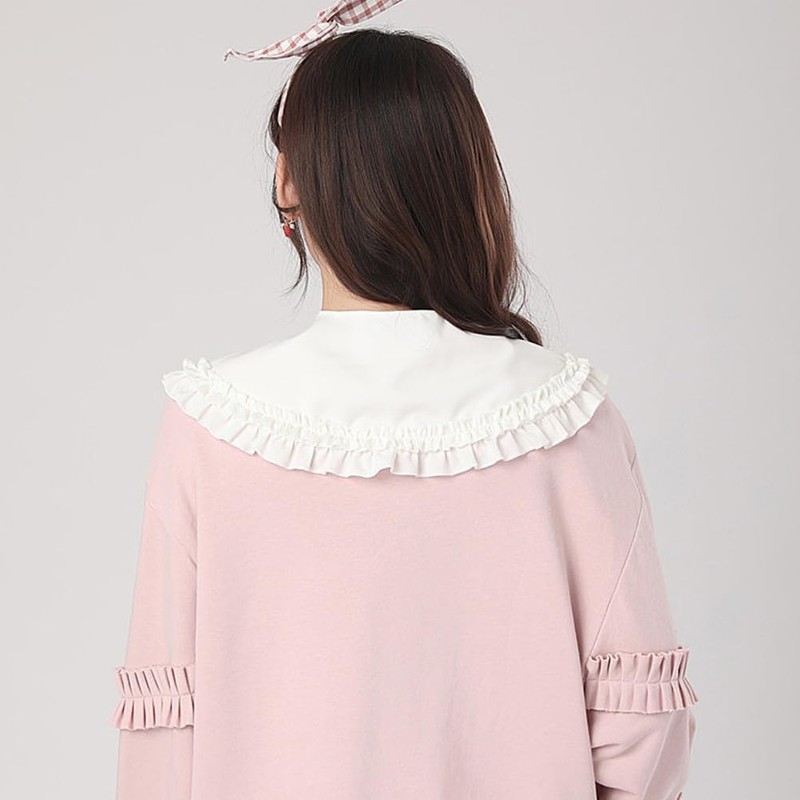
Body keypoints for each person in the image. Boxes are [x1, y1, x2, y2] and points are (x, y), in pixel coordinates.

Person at [109, 10, 699, 800]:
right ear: (463, 183)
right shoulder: (568, 416)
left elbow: (164, 740)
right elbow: (641, 729)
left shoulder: (211, 427)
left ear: (288, 179)